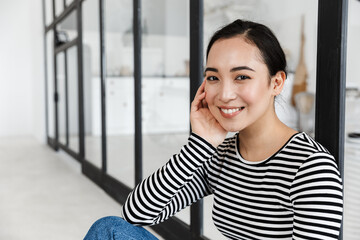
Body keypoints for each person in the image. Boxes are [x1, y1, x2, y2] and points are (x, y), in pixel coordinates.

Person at [84, 19, 343, 240]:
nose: (225, 94)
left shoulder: (310, 167)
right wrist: (200, 145)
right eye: (213, 78)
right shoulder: (222, 156)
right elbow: (135, 213)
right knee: (109, 230)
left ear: (276, 83)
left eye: (242, 76)